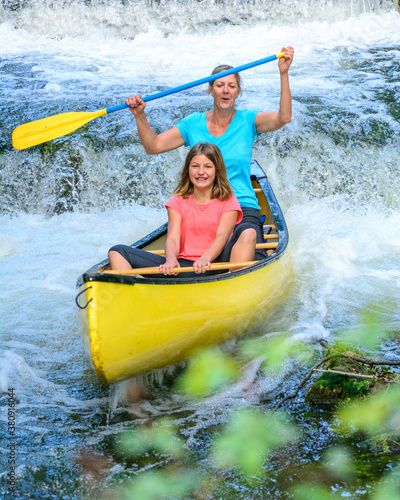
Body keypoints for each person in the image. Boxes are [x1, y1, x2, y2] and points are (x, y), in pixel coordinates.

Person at [125, 46, 294, 260]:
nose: (226, 90)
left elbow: (283, 118)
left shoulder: (248, 120)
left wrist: (283, 73)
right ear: (210, 89)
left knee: (246, 237)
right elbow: (154, 146)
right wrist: (140, 116)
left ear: (238, 91)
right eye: (220, 85)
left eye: (231, 86)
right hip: (201, 208)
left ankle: (252, 258)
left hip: (241, 204)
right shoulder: (193, 124)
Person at [109, 142, 258, 277]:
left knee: (248, 230)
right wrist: (171, 260)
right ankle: (132, 297)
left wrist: (205, 258)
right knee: (118, 252)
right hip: (184, 268)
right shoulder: (177, 202)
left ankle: (236, 283)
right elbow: (173, 238)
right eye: (195, 166)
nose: (201, 172)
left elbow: (222, 237)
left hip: (217, 265)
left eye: (207, 166)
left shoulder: (228, 201)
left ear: (217, 171)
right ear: (188, 170)